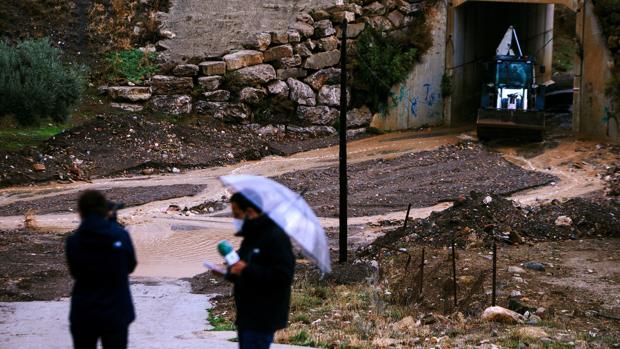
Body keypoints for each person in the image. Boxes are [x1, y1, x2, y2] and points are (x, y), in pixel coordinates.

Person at [65, 190, 137, 349]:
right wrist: (112, 224)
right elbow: (130, 266)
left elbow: (75, 272)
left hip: (84, 313)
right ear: (104, 210)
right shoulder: (120, 236)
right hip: (116, 311)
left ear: (81, 212)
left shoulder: (73, 240)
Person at [225, 191, 295, 349]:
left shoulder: (275, 236)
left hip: (263, 315)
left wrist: (247, 269)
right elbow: (240, 267)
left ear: (249, 212)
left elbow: (283, 275)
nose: (235, 219)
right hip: (247, 314)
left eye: (236, 214)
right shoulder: (251, 236)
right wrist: (227, 272)